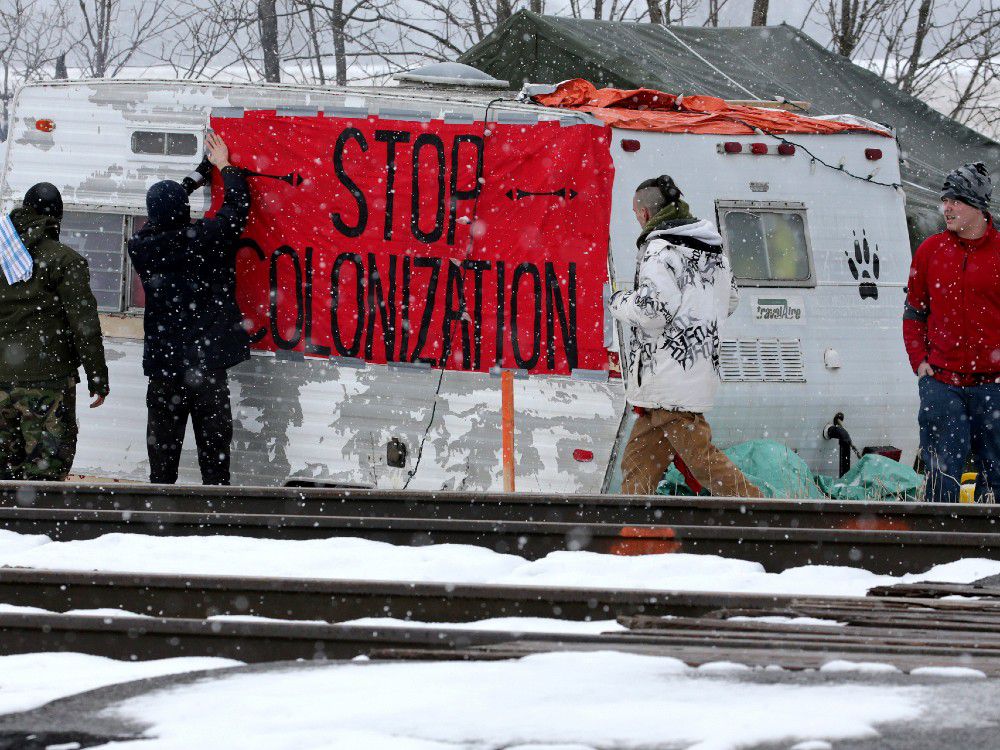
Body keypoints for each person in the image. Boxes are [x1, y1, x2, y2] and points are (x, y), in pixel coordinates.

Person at [610, 175, 762, 497]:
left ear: (646, 214)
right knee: (638, 463)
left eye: (636, 213)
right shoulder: (711, 249)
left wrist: (619, 301)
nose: (637, 219)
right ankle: (630, 529)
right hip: (687, 374)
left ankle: (765, 513)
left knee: (703, 462)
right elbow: (730, 298)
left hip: (669, 379)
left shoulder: (659, 249)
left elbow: (654, 311)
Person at [129, 131, 251, 485]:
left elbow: (166, 213)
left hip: (165, 368)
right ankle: (216, 514)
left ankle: (160, 518)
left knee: (162, 458)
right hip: (207, 367)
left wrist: (197, 176)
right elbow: (237, 209)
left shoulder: (141, 247)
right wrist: (225, 167)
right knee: (215, 458)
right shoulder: (207, 239)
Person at [903, 161, 1000, 503]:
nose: (947, 207)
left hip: (993, 386)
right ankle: (939, 546)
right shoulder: (931, 250)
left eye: (956, 201)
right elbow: (914, 314)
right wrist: (921, 364)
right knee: (941, 475)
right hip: (942, 383)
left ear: (978, 207)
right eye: (945, 200)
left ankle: (989, 551)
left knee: (997, 477)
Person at [0, 182, 109, 480]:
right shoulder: (65, 260)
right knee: (45, 474)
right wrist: (97, 378)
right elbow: (84, 327)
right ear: (56, 217)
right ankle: (37, 524)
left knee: (3, 476)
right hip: (47, 383)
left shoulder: (2, 254)